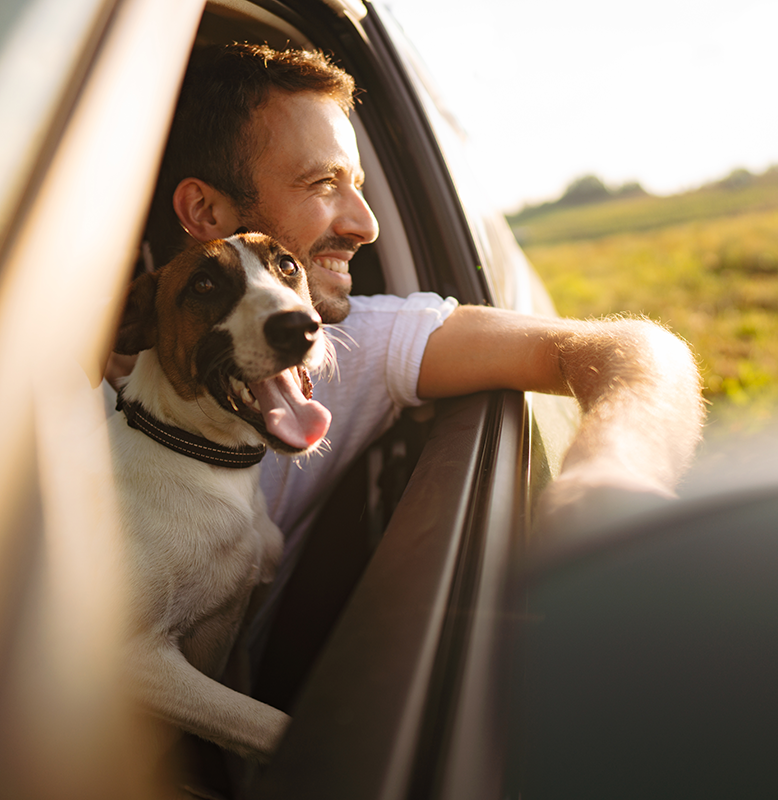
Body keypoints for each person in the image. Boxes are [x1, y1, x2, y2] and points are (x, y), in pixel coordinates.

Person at [130, 42, 702, 610]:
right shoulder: (83, 378)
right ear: (206, 214)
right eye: (323, 184)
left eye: (360, 186)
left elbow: (639, 349)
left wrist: (608, 473)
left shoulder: (354, 342)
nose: (367, 224)